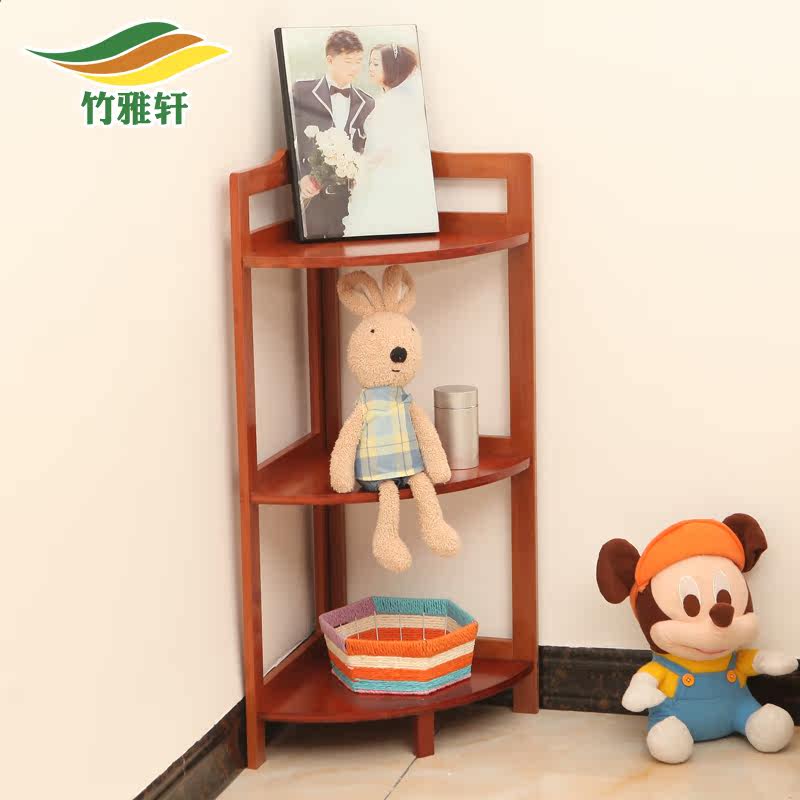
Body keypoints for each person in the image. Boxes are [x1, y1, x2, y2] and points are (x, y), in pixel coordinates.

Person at [343, 44, 438, 238]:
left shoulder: (391, 103)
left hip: (387, 177)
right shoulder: (394, 99)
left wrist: (358, 166)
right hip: (392, 173)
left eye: (376, 64)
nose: (370, 68)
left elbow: (386, 149)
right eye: (370, 63)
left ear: (391, 68)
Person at [292, 30, 375, 239]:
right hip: (312, 196)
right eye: (348, 61)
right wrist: (300, 177)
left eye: (359, 61)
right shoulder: (302, 92)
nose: (355, 68)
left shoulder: (367, 103)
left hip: (350, 202)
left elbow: (368, 151)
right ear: (330, 60)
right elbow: (291, 141)